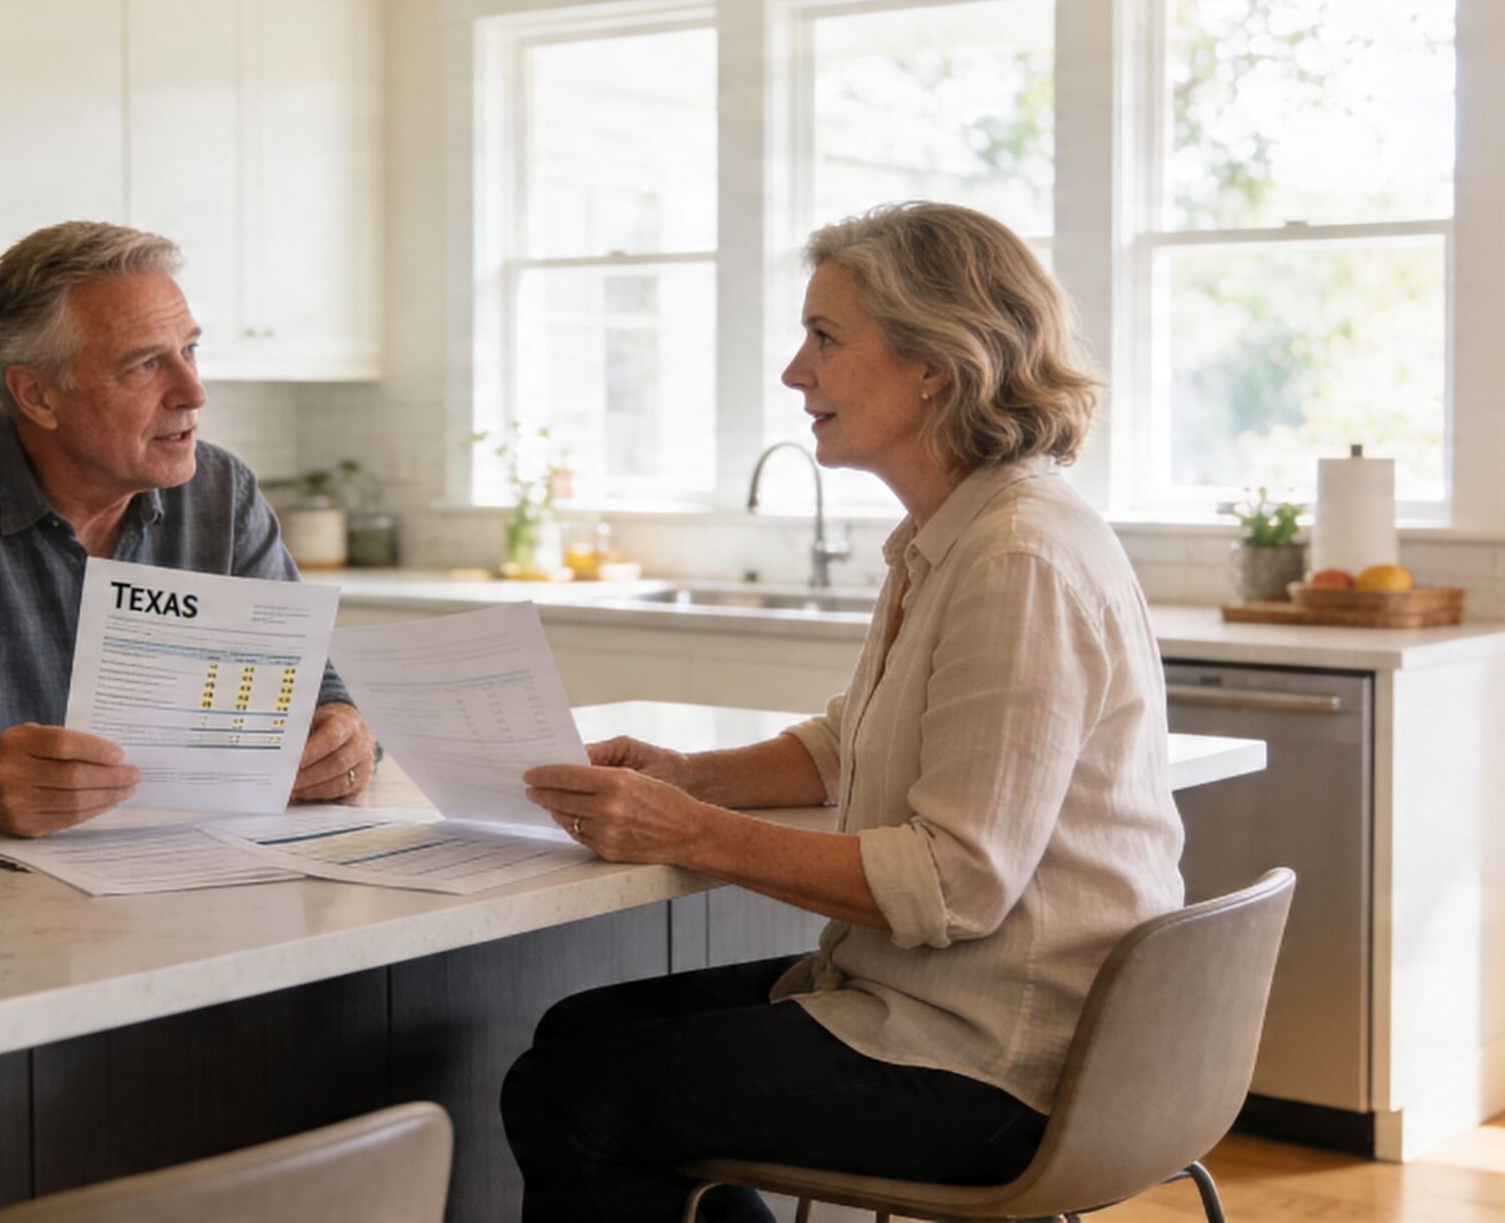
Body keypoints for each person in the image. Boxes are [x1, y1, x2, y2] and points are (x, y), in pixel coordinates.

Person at [502, 202, 1186, 1222]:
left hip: (1003, 1059)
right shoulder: (956, 531)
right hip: (969, 1006)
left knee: (575, 1096)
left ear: (933, 365)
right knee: (575, 1037)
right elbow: (847, 742)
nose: (793, 371)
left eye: (824, 337)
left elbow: (956, 885)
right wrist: (687, 776)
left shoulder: (1015, 558)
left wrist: (692, 832)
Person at [0, 221, 376, 837]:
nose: (193, 392)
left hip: (192, 878)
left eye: (189, 350)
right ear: (37, 396)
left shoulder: (222, 494)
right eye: (144, 365)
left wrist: (342, 733)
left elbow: (315, 691)